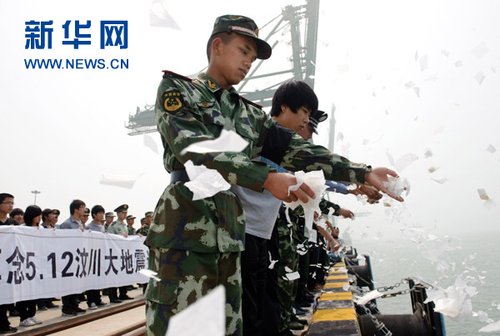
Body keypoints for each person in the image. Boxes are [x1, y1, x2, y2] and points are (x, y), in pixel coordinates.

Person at [146, 14, 402, 336]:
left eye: (252, 58)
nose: (248, 63)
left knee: (229, 327)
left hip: (229, 233)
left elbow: (299, 149)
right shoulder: (179, 89)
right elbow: (195, 149)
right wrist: (266, 178)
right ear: (217, 46)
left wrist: (361, 173)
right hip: (186, 226)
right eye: (243, 51)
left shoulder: (248, 114)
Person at [16, 205, 43, 328]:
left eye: (40, 215)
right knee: (23, 292)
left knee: (34, 292)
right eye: (37, 215)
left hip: (36, 264)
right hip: (24, 264)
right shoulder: (22, 228)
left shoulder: (40, 228)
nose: (39, 218)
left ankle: (32, 314)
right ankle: (23, 317)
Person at [59, 199, 87, 316]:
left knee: (76, 282)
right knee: (68, 283)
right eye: (82, 208)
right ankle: (67, 307)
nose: (84, 210)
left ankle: (75, 304)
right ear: (76, 209)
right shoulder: (67, 224)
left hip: (78, 257)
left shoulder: (80, 223)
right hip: (68, 259)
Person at [106, 204, 133, 302]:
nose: (125, 214)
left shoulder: (124, 226)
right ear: (118, 214)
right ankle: (113, 296)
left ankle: (123, 293)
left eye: (126, 213)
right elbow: (109, 238)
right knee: (114, 274)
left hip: (123, 253)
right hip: (115, 253)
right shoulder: (113, 226)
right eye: (123, 213)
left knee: (123, 274)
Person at [0, 193, 18, 334]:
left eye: (12, 203)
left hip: (9, 264)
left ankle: (3, 323)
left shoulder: (12, 223)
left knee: (6, 296)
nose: (11, 205)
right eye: (8, 203)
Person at [85, 205, 108, 309]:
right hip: (91, 257)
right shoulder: (89, 227)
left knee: (98, 280)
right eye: (100, 213)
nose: (102, 215)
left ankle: (98, 299)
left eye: (103, 213)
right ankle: (91, 301)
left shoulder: (102, 227)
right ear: (94, 215)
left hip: (100, 256)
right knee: (91, 280)